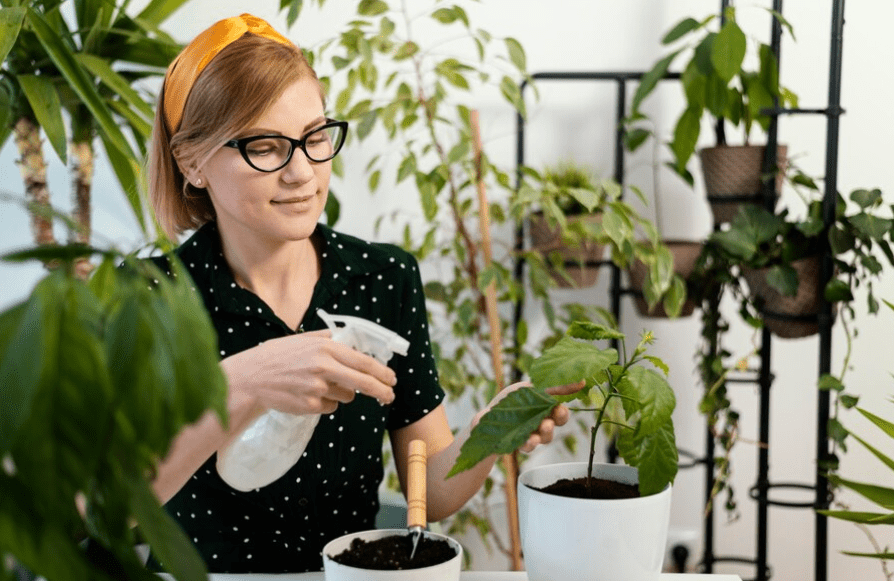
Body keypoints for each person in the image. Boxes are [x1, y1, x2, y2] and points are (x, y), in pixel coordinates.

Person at [148, 13, 580, 573]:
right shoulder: (152, 298)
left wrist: (492, 428)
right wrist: (250, 377)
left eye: (315, 137)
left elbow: (432, 490)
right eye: (265, 146)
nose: (302, 172)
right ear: (193, 163)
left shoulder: (382, 278)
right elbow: (117, 499)